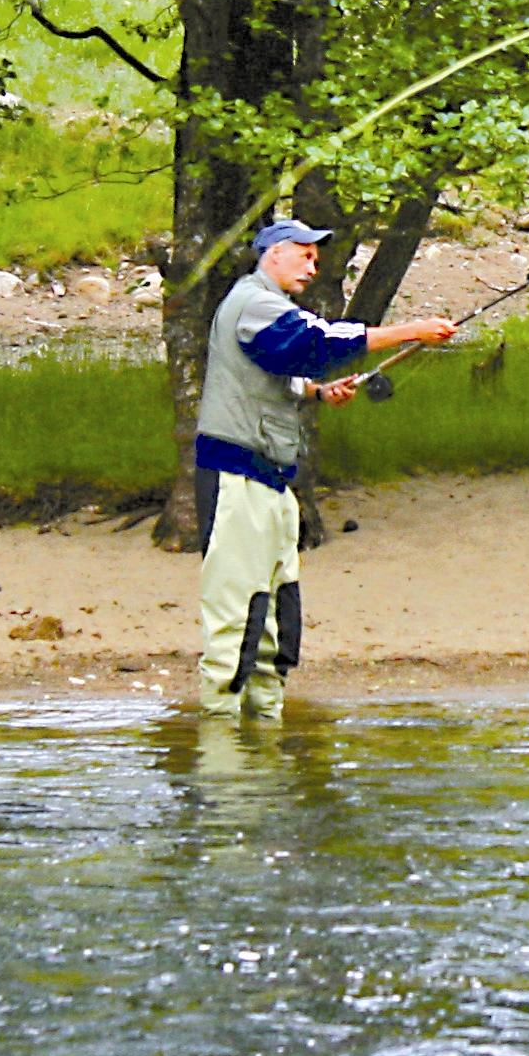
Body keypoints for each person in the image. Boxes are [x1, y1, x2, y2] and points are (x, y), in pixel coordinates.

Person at [195, 216, 455, 715]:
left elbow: (276, 369)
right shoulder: (255, 302)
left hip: (270, 481)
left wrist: (316, 391)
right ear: (273, 254)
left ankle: (263, 737)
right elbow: (316, 344)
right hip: (235, 476)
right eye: (305, 255)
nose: (313, 267)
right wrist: (410, 331)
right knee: (237, 615)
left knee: (276, 615)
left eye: (317, 258)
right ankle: (220, 749)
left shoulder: (269, 310)